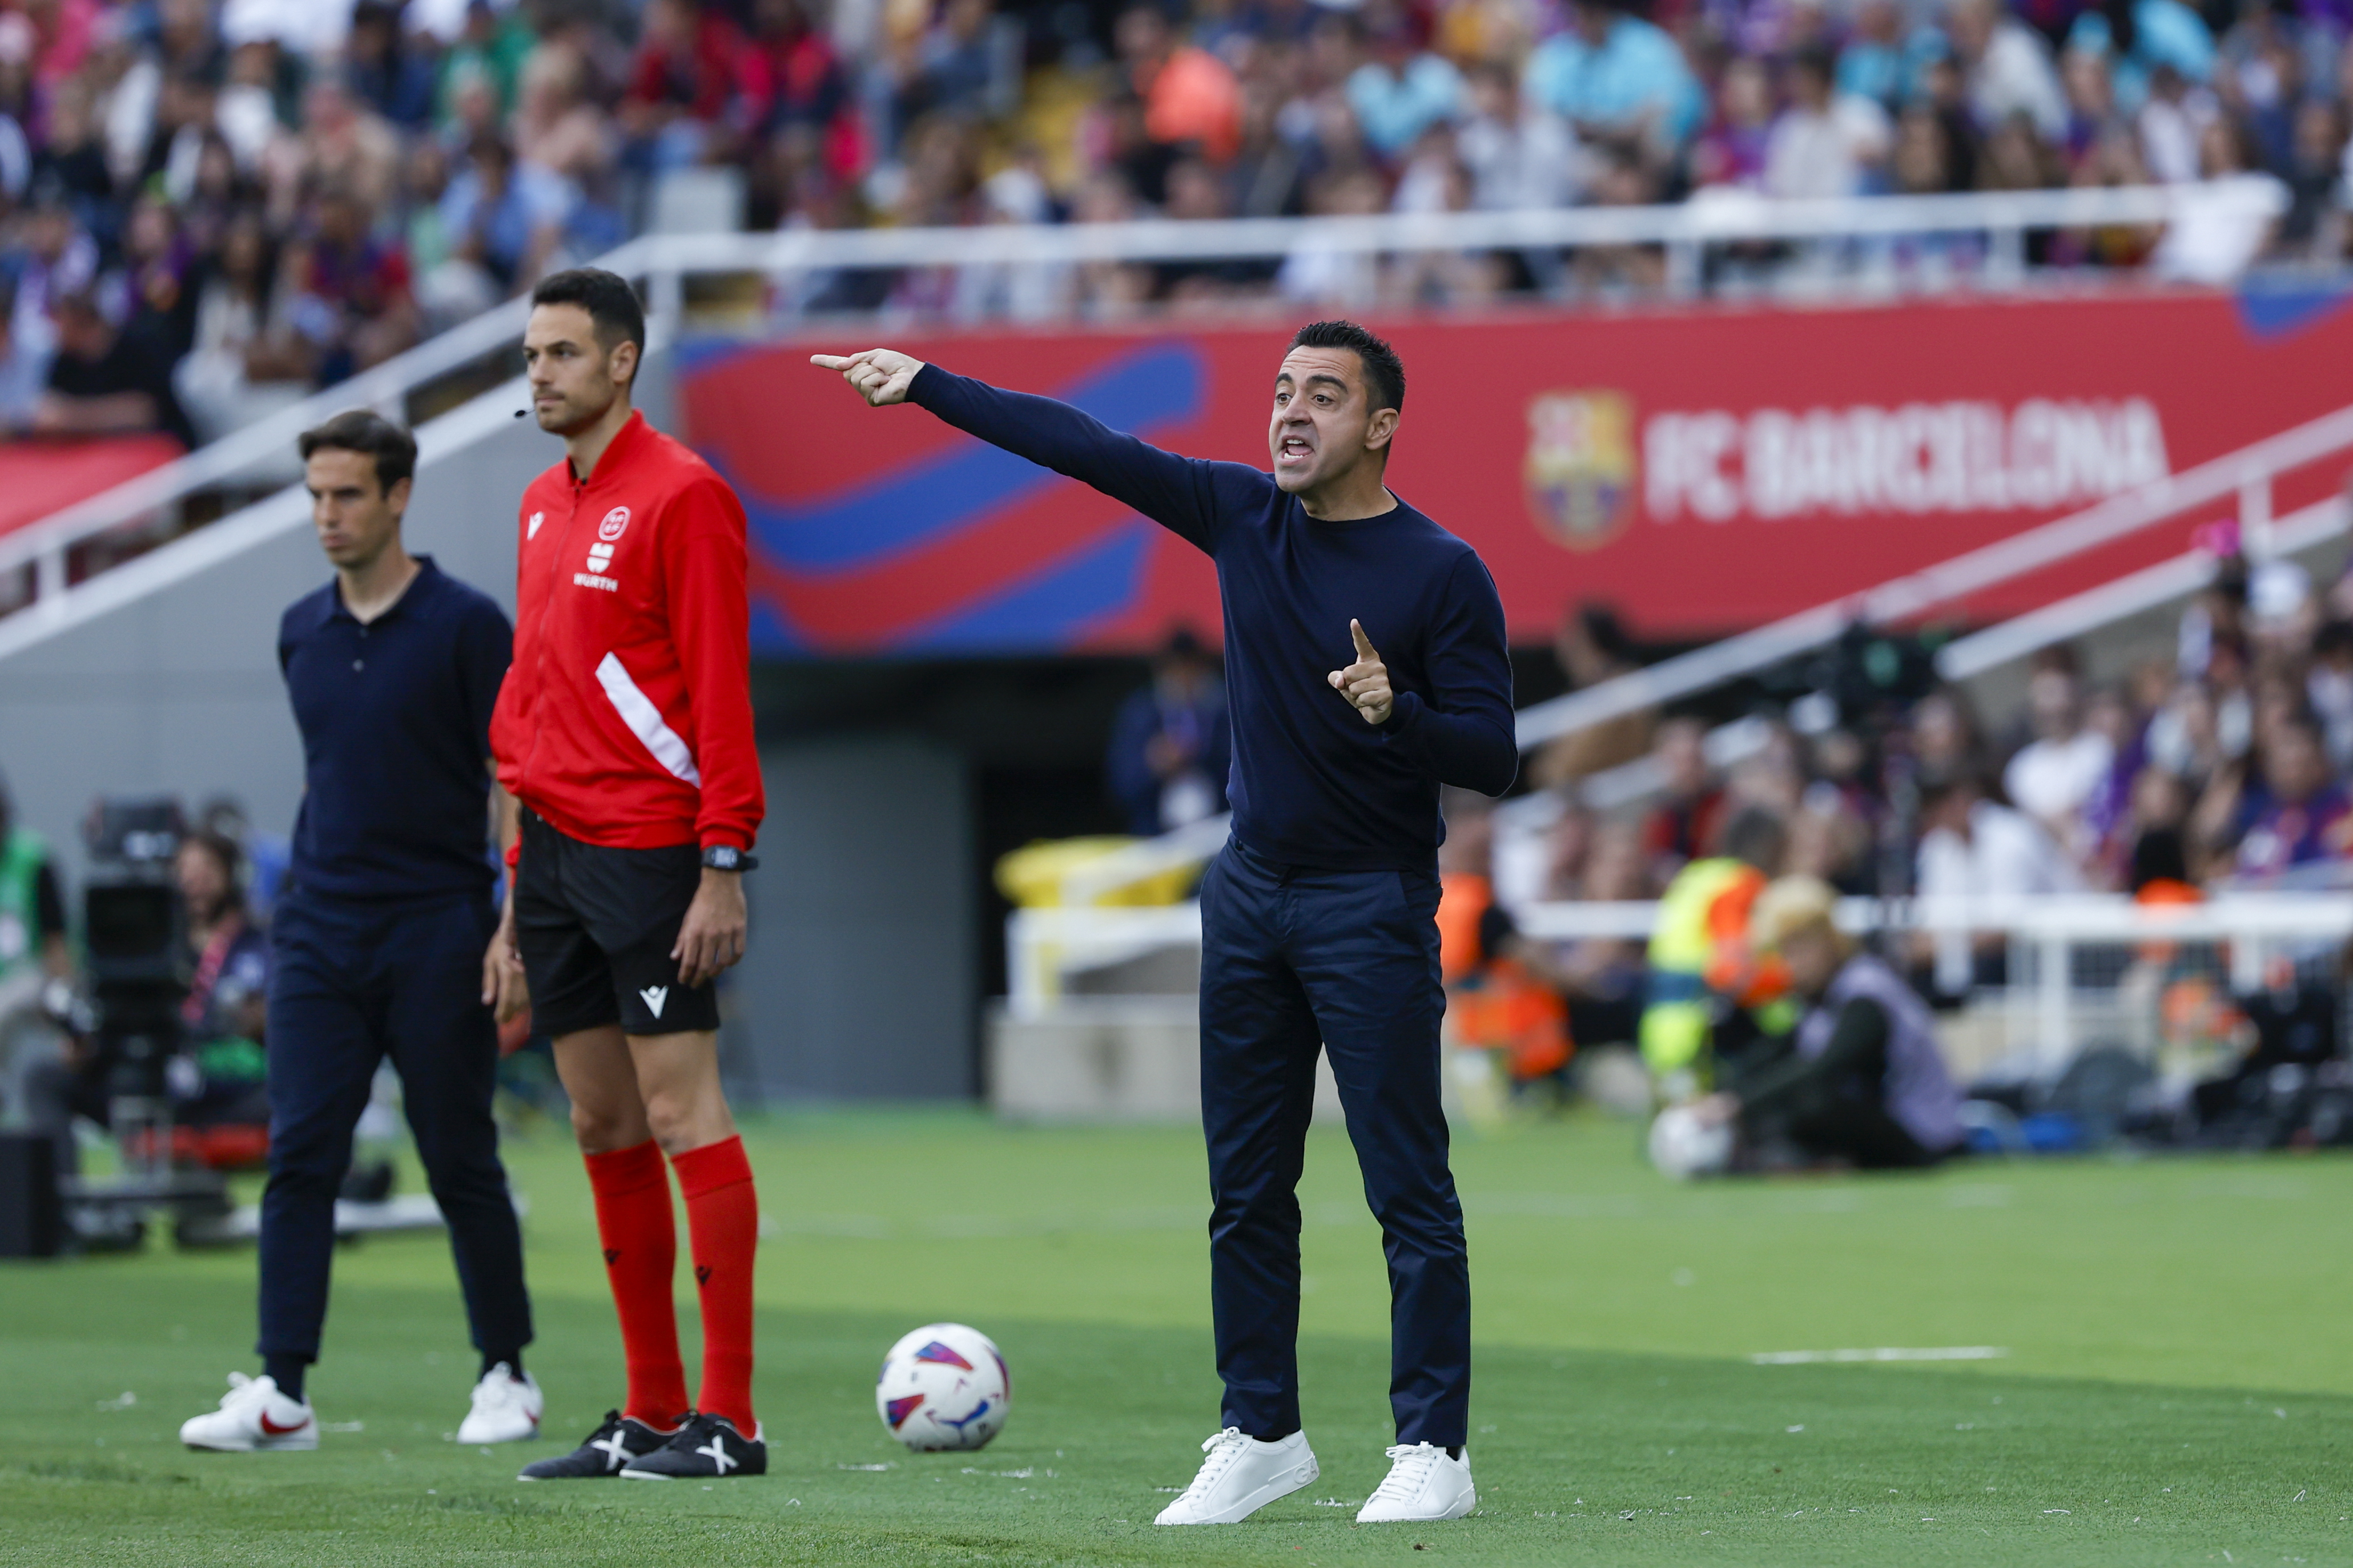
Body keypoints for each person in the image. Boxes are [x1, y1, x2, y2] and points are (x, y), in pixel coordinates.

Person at [814, 318, 1517, 1526]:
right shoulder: (1239, 515)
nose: (1290, 412)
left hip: (1368, 898)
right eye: (1282, 391)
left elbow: (1491, 753)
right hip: (1248, 892)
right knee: (1244, 1185)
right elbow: (1083, 444)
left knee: (1405, 1181)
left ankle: (1431, 1444)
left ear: (1382, 423)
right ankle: (1258, 1429)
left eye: (1324, 396)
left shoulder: (1439, 570)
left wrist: (1397, 710)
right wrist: (927, 384)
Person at [178, 410, 537, 1454]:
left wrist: (511, 924)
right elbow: (331, 772)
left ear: (397, 497)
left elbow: (513, 780)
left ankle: (505, 1372)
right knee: (300, 1155)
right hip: (320, 932)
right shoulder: (301, 627)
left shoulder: (468, 625)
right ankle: (282, 1391)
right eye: (316, 496)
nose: (327, 515)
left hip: (438, 926)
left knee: (457, 1152)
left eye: (346, 495)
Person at [494, 268, 767, 1483]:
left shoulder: (687, 494)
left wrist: (723, 862)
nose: (540, 372)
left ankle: (731, 1417)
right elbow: (534, 697)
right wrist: (513, 888)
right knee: (600, 1120)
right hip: (551, 854)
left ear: (621, 362)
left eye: (561, 352)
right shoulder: (539, 504)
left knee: (675, 1111)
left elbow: (718, 687)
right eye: (532, 353)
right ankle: (648, 1410)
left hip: (654, 850)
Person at [1695, 876, 1964, 1168]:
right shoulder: (1822, 997)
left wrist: (1737, 1107)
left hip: (1922, 1134)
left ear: (1828, 939)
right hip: (1884, 1121)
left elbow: (1825, 1068)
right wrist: (1723, 1094)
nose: (1791, 964)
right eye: (1784, 952)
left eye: (1799, 948)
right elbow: (1779, 1053)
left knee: (1810, 1101)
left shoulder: (1867, 993)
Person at [1106, 628, 1231, 837]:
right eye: (1176, 669)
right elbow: (1120, 785)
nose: (1185, 678)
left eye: (1192, 668)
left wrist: (1200, 756)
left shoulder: (1226, 711)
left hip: (1219, 834)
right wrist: (1154, 765)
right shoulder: (1140, 713)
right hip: (1154, 837)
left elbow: (1247, 778)